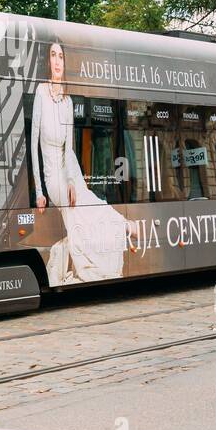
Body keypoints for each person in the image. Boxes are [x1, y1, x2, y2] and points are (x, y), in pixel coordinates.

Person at [29, 41, 127, 285]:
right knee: (78, 208)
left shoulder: (68, 102)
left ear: (64, 62)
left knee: (88, 201)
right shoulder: (41, 92)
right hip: (52, 177)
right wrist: (39, 191)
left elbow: (70, 149)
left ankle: (122, 227)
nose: (57, 60)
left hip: (68, 172)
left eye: (60, 56)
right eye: (53, 55)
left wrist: (73, 180)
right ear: (48, 62)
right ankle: (126, 228)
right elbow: (33, 145)